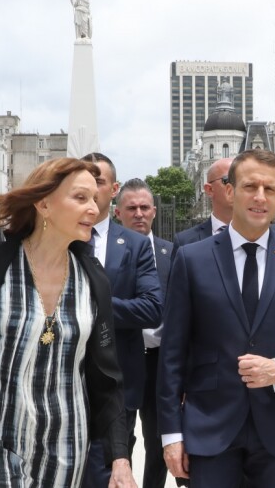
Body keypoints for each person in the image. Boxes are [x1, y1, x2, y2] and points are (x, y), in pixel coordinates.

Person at [158, 148, 275, 488]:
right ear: (229, 191)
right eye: (250, 187)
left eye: (270, 189)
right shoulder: (191, 259)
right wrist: (171, 434)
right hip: (210, 428)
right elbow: (171, 354)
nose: (260, 197)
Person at [0, 158, 136, 487]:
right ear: (44, 204)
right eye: (80, 198)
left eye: (95, 198)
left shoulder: (93, 281)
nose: (93, 208)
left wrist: (120, 458)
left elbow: (107, 380)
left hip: (66, 452)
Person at [82, 153, 163, 487]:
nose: (90, 189)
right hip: (62, 383)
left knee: (112, 469)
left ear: (112, 189)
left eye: (98, 181)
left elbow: (151, 308)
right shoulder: (59, 240)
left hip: (118, 381)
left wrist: (91, 305)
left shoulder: (135, 245)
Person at [115, 178, 177, 488]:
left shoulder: (171, 253)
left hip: (159, 362)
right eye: (131, 208)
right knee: (120, 439)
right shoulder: (111, 255)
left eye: (144, 207)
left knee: (158, 442)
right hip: (122, 359)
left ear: (154, 211)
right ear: (118, 213)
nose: (139, 213)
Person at [172, 157, 234, 256]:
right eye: (228, 180)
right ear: (209, 190)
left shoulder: (263, 236)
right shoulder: (186, 242)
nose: (236, 186)